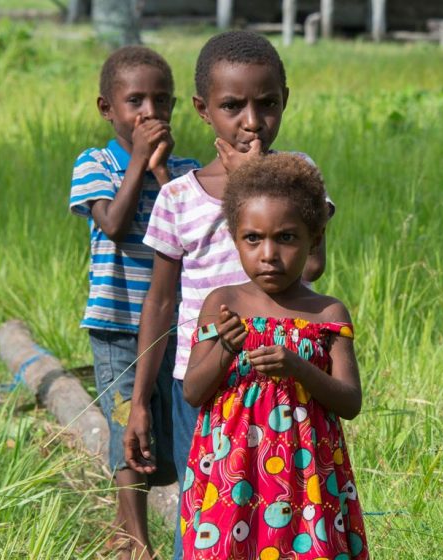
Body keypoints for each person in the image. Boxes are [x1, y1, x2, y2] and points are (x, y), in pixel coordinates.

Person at [122, 31, 332, 558]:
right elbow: (161, 303)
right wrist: (139, 401)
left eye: (267, 104)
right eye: (233, 106)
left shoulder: (299, 175)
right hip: (205, 381)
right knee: (205, 512)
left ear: (285, 98)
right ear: (202, 108)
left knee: (283, 509)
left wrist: (257, 184)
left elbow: (313, 264)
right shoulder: (177, 196)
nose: (252, 122)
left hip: (286, 379)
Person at [181, 153, 367, 560]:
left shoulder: (328, 314)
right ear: (235, 238)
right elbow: (193, 392)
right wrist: (226, 348)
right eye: (253, 238)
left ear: (314, 240)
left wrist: (297, 367)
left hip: (307, 476)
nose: (268, 253)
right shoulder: (222, 303)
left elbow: (350, 401)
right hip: (234, 473)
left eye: (286, 238)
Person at [68, 45, 199, 560]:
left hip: (175, 322)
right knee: (129, 422)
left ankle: (175, 523)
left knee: (166, 424)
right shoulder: (94, 163)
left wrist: (163, 172)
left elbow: (189, 232)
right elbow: (115, 224)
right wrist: (138, 165)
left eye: (162, 101)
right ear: (108, 108)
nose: (150, 113)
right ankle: (134, 539)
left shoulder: (185, 171)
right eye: (136, 101)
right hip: (119, 324)